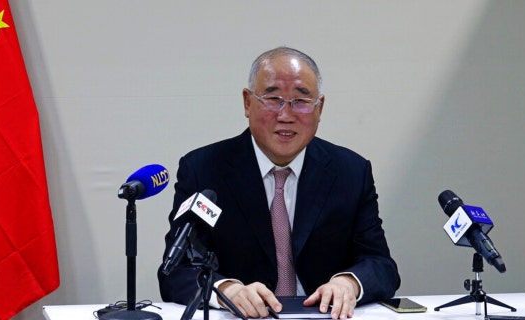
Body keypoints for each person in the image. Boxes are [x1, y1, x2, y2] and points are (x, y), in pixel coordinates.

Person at [158, 47, 400, 319]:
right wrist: (227, 290)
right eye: (273, 99)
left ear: (320, 108)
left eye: (301, 100)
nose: (286, 115)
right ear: (247, 103)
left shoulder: (351, 172)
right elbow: (176, 270)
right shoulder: (203, 169)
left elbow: (381, 265)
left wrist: (350, 283)